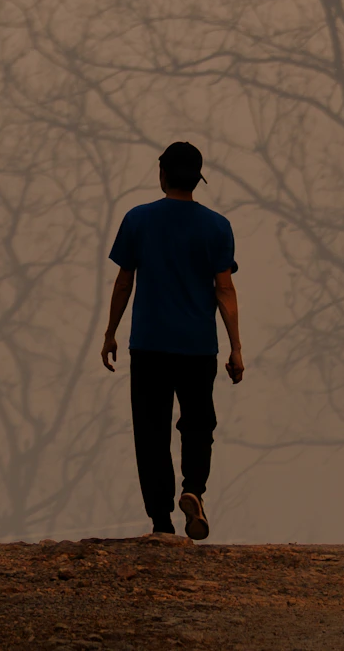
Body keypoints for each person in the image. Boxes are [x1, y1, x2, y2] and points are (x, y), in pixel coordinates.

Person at [101, 140, 243, 542]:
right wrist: (235, 347)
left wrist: (110, 332)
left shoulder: (138, 219)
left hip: (149, 345)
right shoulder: (217, 226)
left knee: (151, 432)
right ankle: (193, 488)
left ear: (162, 174)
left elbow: (124, 282)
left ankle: (161, 521)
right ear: (198, 179)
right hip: (198, 346)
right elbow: (224, 289)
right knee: (198, 424)